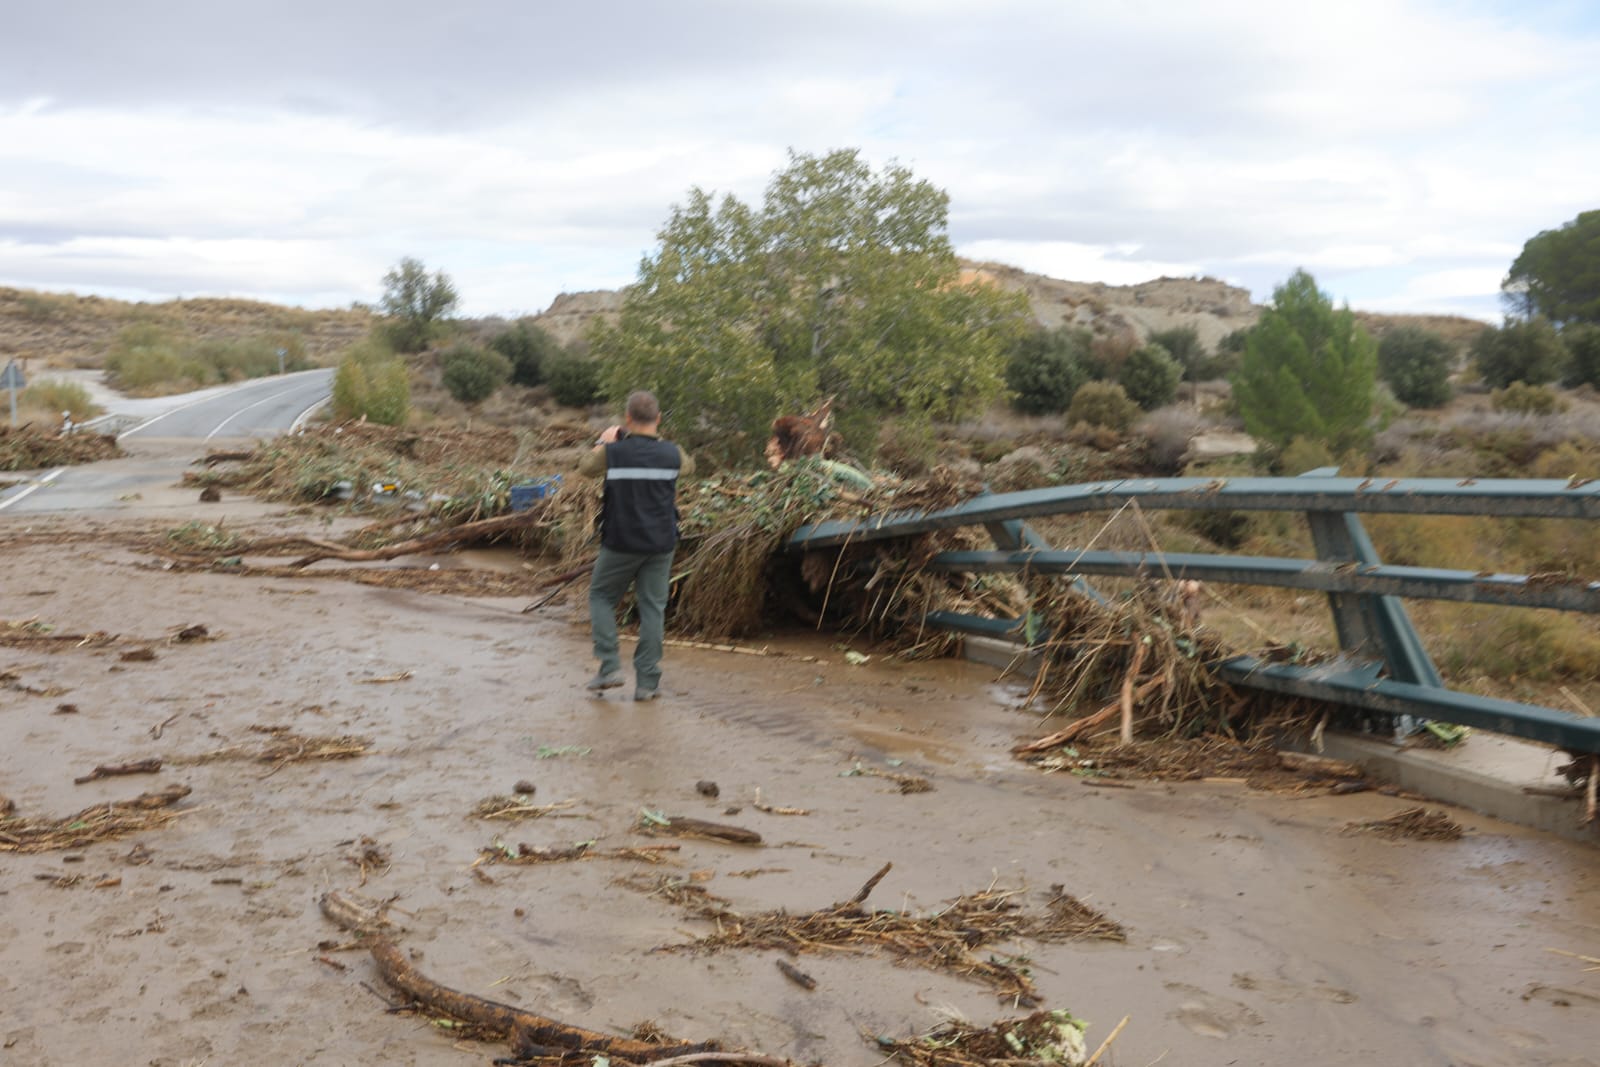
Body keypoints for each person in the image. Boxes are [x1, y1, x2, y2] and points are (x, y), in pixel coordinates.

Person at [576, 390, 694, 701]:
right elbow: (690, 468)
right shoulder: (674, 453)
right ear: (658, 419)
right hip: (661, 542)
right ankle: (648, 684)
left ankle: (610, 666)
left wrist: (605, 441)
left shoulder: (613, 453)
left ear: (627, 419)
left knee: (601, 596)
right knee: (653, 607)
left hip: (621, 541)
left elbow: (584, 468)